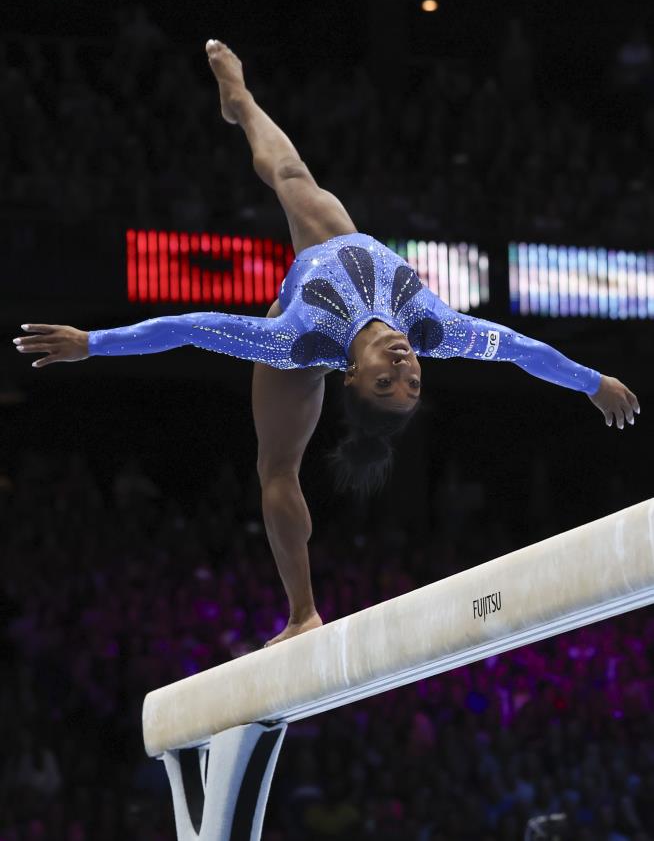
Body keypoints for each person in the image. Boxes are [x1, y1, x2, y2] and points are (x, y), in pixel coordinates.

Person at [13, 40, 641, 646]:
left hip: (301, 311)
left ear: (351, 377)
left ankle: (303, 613)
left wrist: (93, 342)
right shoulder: (433, 328)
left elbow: (186, 328)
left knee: (276, 467)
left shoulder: (295, 340)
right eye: (411, 381)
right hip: (331, 244)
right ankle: (241, 102)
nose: (402, 367)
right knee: (287, 172)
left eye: (385, 383)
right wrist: (594, 381)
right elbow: (524, 352)